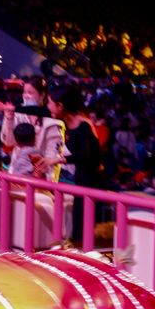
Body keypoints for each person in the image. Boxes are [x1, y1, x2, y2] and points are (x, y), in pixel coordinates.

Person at [47, 84, 103, 244]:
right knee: (78, 228)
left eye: (50, 103)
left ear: (60, 106)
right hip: (81, 180)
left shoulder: (84, 126)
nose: (47, 106)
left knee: (85, 231)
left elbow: (84, 155)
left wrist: (57, 159)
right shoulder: (66, 124)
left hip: (92, 183)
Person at [0, 75, 65, 180]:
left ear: (42, 95)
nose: (26, 96)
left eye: (30, 93)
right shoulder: (18, 112)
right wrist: (9, 119)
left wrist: (42, 175)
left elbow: (52, 157)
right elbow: (8, 143)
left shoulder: (53, 122)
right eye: (24, 92)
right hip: (16, 173)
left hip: (41, 178)